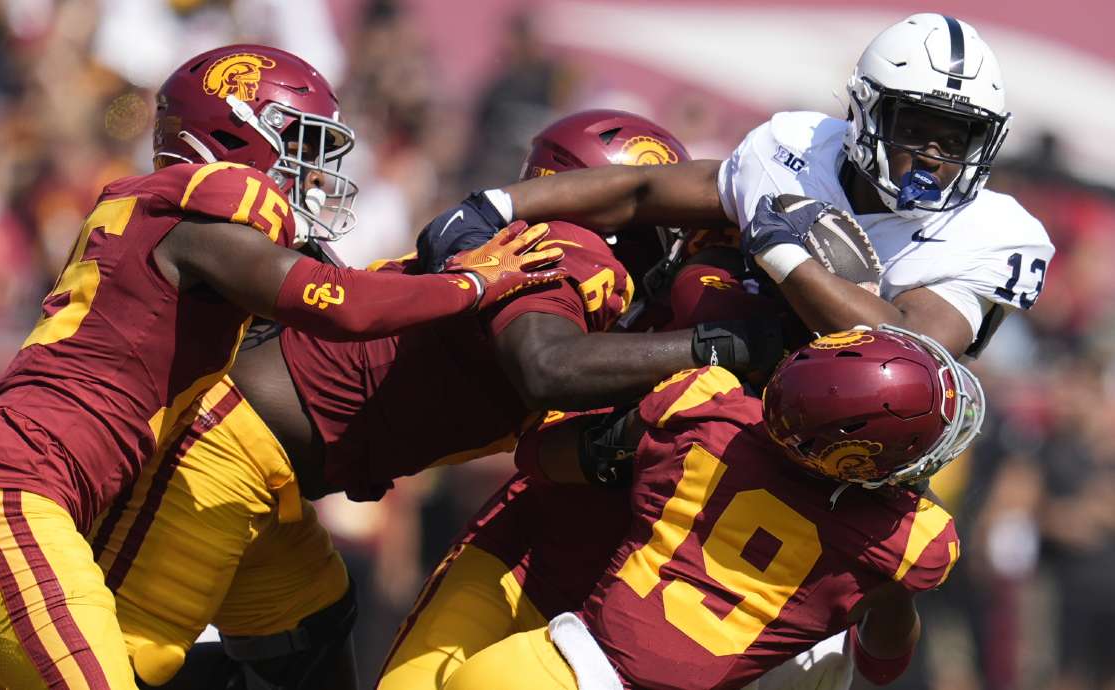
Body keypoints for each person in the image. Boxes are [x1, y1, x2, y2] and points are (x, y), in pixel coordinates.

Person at [0, 44, 567, 690]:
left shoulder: (154, 217)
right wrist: (472, 282)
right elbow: (340, 305)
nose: (313, 175)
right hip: (12, 495)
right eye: (301, 148)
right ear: (235, 132)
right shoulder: (203, 221)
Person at [89, 110, 766, 690]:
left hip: (273, 472)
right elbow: (547, 366)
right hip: (225, 454)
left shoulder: (561, 257)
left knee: (307, 645)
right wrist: (724, 347)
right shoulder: (571, 249)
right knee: (115, 660)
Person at [420, 13, 1055, 361]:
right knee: (709, 278)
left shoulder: (994, 232)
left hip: (843, 457)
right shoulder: (796, 148)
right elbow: (643, 192)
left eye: (958, 138)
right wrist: (497, 204)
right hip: (715, 399)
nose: (935, 155)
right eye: (916, 128)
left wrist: (785, 257)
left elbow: (904, 351)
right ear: (865, 113)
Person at [442, 325, 984, 690]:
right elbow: (882, 664)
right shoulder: (908, 543)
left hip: (529, 663)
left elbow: (542, 458)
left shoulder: (705, 406)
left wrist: (612, 454)